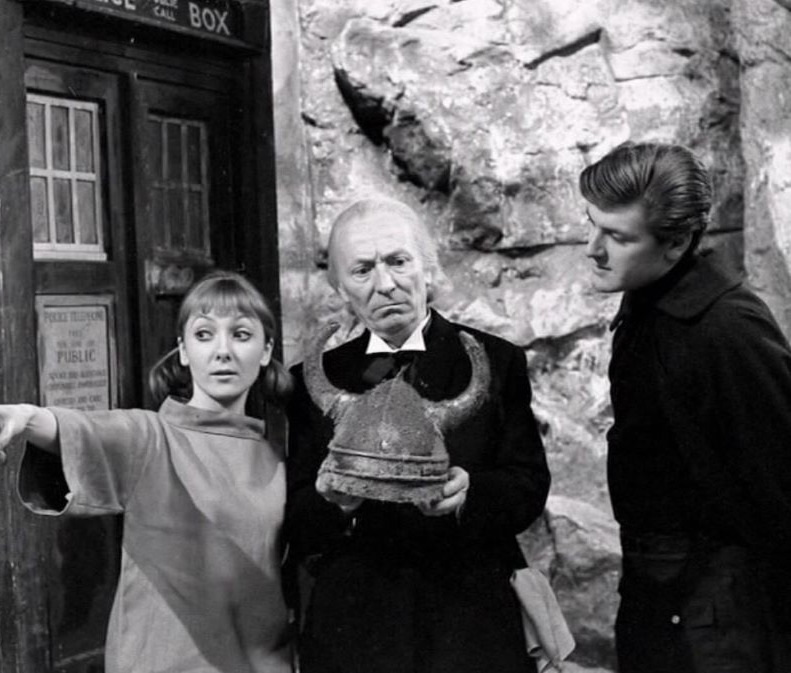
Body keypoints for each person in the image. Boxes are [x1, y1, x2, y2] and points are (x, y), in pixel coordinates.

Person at [0, 271, 294, 673]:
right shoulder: (151, 437)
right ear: (183, 351)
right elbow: (85, 429)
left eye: (241, 334)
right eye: (204, 335)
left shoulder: (277, 458)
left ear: (266, 350)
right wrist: (24, 417)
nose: (223, 351)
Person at [284, 196, 551, 673]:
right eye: (362, 270)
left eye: (398, 261)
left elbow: (528, 485)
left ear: (427, 267)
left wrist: (470, 494)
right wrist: (334, 502)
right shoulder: (313, 379)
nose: (385, 284)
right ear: (340, 287)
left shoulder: (497, 361)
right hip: (356, 631)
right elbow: (297, 516)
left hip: (470, 624)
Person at [581, 141, 791, 673]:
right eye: (592, 225)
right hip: (662, 595)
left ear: (676, 243)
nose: (593, 249)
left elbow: (780, 492)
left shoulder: (727, 330)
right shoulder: (648, 302)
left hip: (721, 619)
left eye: (618, 237)